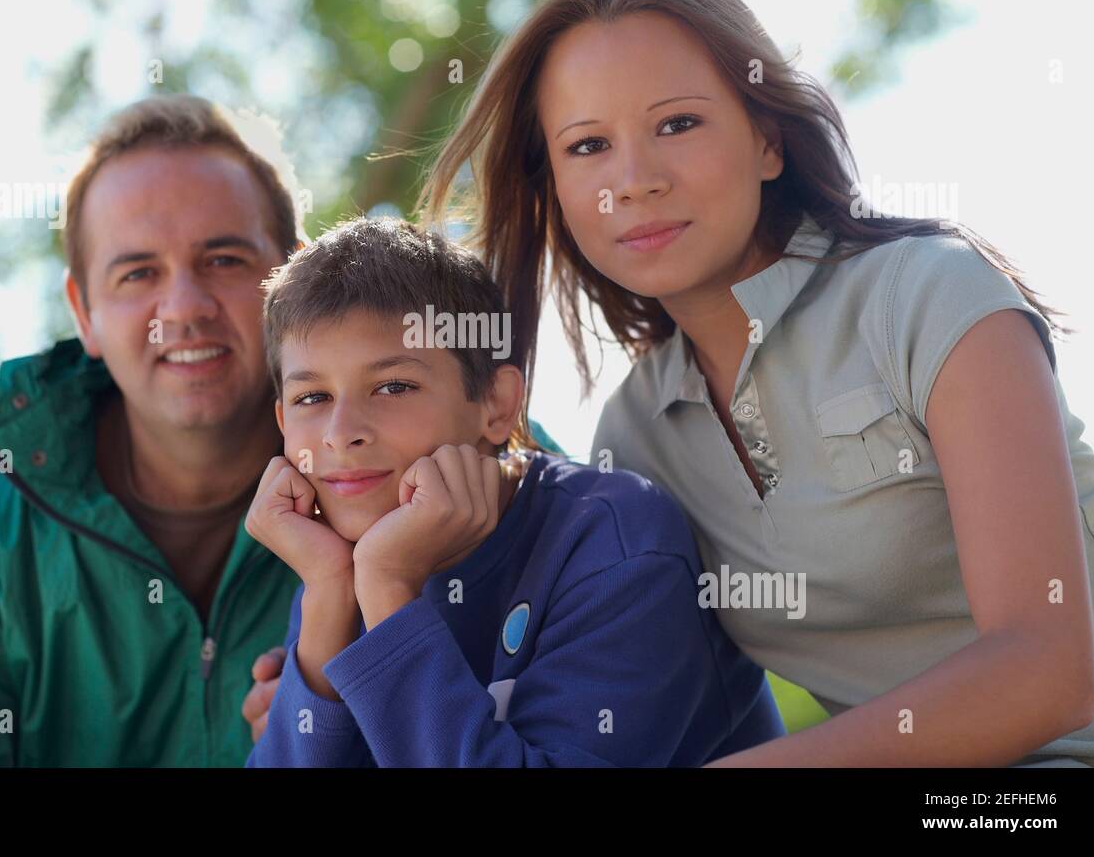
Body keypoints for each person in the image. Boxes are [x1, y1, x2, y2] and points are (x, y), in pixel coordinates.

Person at [410, 0, 1094, 766]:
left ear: (768, 140)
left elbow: (1046, 674)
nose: (633, 182)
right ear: (556, 190)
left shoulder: (928, 295)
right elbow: (559, 643)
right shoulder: (634, 440)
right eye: (589, 145)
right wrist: (330, 671)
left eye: (677, 124)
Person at [0, 95, 306, 765]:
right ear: (85, 313)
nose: (184, 308)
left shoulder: (390, 500)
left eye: (224, 260)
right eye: (138, 273)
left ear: (296, 284)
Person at [242, 216, 784, 767]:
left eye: (394, 386)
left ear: (498, 406)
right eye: (313, 398)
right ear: (283, 420)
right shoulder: (336, 566)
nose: (340, 434)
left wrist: (386, 587)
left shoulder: (618, 549)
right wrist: (329, 596)